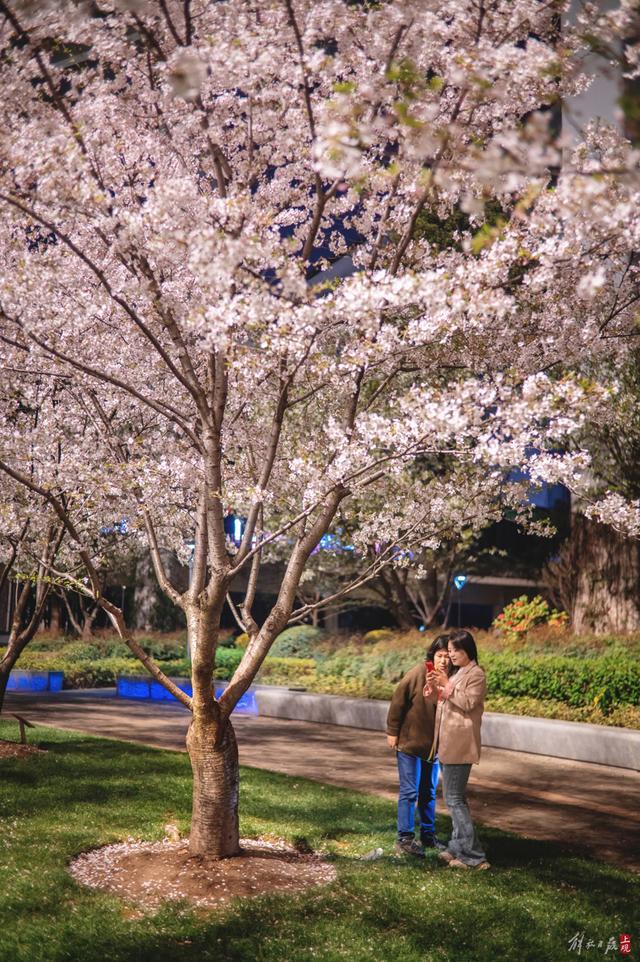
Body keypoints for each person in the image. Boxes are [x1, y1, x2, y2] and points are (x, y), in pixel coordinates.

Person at [424, 629, 490, 870]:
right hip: (447, 743)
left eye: (454, 651)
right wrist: (434, 689)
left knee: (454, 799)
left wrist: (446, 684)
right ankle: (457, 846)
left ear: (467, 650)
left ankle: (473, 856)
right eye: (449, 651)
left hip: (460, 746)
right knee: (454, 799)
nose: (450, 655)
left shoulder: (476, 674)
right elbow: (444, 703)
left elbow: (468, 703)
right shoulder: (458, 672)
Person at [386, 635, 451, 857]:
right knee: (409, 792)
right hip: (410, 744)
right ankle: (404, 838)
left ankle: (428, 835)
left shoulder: (451, 680)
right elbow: (398, 701)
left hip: (433, 749)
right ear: (433, 655)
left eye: (448, 656)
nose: (444, 660)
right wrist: (392, 732)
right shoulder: (418, 673)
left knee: (429, 793)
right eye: (440, 655)